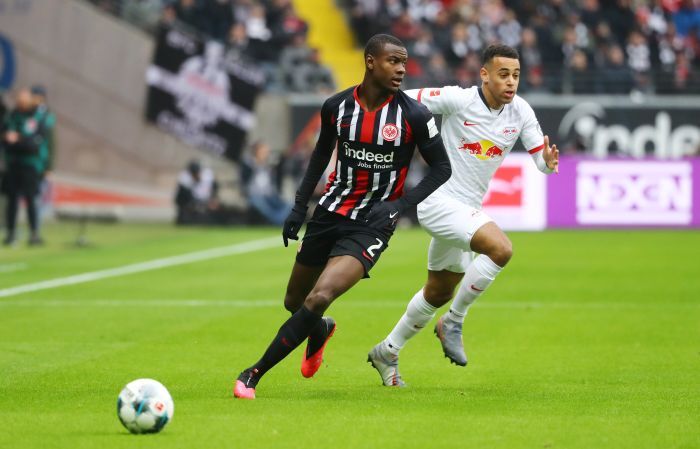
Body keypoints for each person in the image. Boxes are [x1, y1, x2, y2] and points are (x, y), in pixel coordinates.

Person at [233, 34, 452, 399]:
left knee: (320, 296)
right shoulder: (336, 106)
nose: (401, 69)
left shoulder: (414, 114)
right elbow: (320, 155)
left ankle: (252, 373)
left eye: (403, 62)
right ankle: (319, 330)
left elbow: (441, 168)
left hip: (373, 224)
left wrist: (398, 206)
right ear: (370, 62)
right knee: (294, 302)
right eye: (393, 61)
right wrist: (299, 207)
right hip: (329, 212)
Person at [368, 44, 559, 386]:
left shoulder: (521, 111)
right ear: (484, 74)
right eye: (503, 74)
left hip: (467, 209)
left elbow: (540, 163)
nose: (511, 82)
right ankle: (454, 321)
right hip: (437, 201)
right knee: (501, 249)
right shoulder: (459, 99)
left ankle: (387, 351)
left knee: (438, 291)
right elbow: (405, 99)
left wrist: (547, 161)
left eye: (515, 75)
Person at [2, 88, 51, 246]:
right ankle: (11, 233)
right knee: (12, 200)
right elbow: (6, 138)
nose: (21, 103)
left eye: (24, 101)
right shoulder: (12, 116)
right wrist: (16, 141)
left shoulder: (37, 117)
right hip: (13, 164)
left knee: (31, 199)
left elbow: (35, 143)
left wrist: (18, 139)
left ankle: (34, 233)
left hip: (30, 164)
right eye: (19, 101)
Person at [239, 141, 291, 225]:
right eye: (263, 151)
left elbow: (278, 179)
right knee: (262, 206)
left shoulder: (269, 166)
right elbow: (244, 180)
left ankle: (279, 219)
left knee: (290, 204)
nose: (266, 154)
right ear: (257, 152)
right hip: (255, 195)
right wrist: (255, 164)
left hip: (270, 195)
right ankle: (278, 221)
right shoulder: (248, 165)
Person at [174, 159, 220, 225]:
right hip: (191, 203)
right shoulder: (184, 180)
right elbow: (181, 199)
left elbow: (215, 188)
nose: (196, 176)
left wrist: (213, 199)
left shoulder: (207, 176)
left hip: (206, 201)